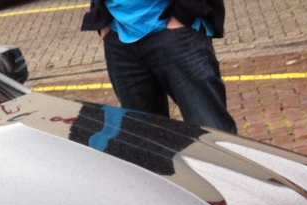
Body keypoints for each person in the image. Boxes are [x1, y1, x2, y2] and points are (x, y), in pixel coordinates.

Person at [81, 0, 236, 134]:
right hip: (118, 36)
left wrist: (183, 15)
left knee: (211, 132)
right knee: (145, 143)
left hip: (176, 33)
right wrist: (103, 23)